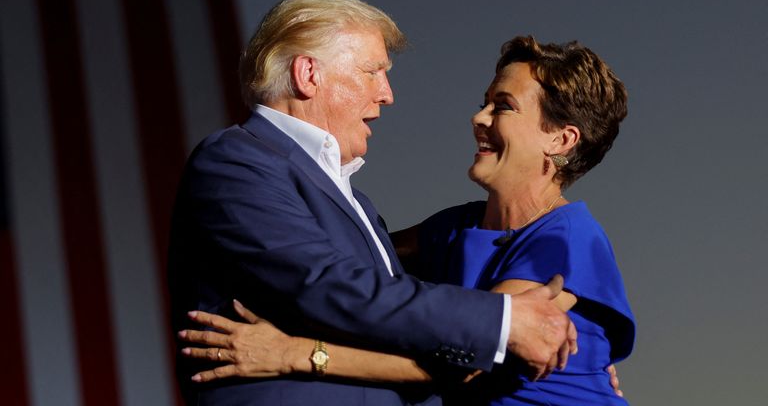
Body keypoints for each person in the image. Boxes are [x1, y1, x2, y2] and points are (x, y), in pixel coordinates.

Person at [177, 35, 635, 405]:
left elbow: (459, 361)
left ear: (560, 139)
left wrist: (293, 354)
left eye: (503, 106)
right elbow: (343, 263)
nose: (479, 117)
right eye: (485, 102)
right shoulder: (451, 229)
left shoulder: (568, 239)